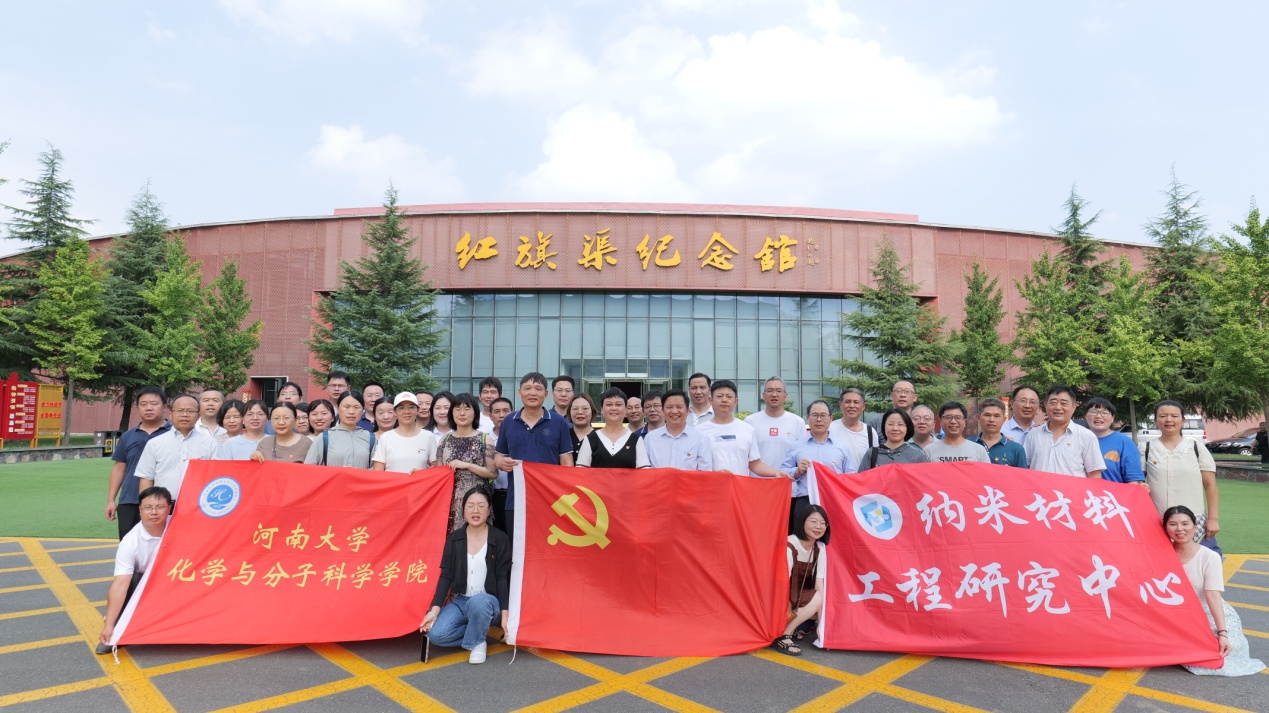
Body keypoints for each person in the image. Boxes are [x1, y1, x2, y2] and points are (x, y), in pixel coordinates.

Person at [1165, 506, 1266, 677]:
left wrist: (1222, 633)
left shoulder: (1209, 557)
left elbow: (1212, 595)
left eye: (1185, 524)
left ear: (1195, 527)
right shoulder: (1161, 555)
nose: (1180, 529)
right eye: (1173, 524)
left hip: (1207, 614)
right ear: (1166, 528)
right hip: (1176, 615)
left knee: (1221, 657)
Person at [420, 487, 511, 665]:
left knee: (479, 602)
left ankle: (478, 643)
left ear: (489, 510)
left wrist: (505, 616)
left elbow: (502, 577)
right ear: (463, 510)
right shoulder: (455, 538)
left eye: (481, 506)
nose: (475, 510)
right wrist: (434, 611)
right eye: (470, 506)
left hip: (489, 602)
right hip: (462, 600)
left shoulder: (499, 538)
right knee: (436, 634)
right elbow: (445, 575)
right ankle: (478, 632)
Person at [494, 373, 575, 536]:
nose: (532, 393)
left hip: (550, 500)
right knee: (517, 546)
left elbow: (567, 463)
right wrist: (501, 463)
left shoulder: (559, 422)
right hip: (516, 499)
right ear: (519, 392)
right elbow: (498, 456)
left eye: (538, 389)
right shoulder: (509, 421)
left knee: (548, 546)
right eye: (527, 388)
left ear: (546, 394)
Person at [96, 485, 173, 655]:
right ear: (140, 510)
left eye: (159, 507)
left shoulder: (180, 525)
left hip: (175, 579)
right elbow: (120, 584)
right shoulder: (130, 543)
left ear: (169, 508)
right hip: (146, 585)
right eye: (148, 507)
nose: (154, 512)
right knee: (132, 580)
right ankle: (116, 631)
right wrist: (109, 625)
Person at [1142, 400, 1220, 549]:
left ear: (1183, 420)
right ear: (1155, 420)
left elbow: (1210, 486)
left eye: (1174, 416)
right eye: (1163, 416)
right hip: (1157, 521)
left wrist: (1213, 519)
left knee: (1199, 560)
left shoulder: (1196, 448)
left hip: (1194, 520)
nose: (1168, 420)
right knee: (1161, 562)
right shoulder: (1146, 448)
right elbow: (1136, 484)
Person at [106, 387, 171, 540]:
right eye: (143, 404)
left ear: (164, 407)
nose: (148, 408)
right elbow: (119, 469)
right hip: (130, 500)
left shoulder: (174, 433)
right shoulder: (128, 436)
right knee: (129, 543)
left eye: (154, 404)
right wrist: (111, 500)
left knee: (161, 544)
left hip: (164, 500)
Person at [781, 400, 852, 533]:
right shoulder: (797, 446)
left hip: (834, 501)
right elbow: (783, 471)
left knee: (833, 540)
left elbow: (850, 476)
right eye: (814, 415)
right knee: (802, 540)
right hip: (805, 502)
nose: (819, 419)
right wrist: (797, 471)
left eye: (823, 415)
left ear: (831, 418)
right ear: (808, 418)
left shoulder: (842, 447)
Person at [135, 394, 217, 504]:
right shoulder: (155, 443)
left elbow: (215, 476)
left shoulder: (210, 443)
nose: (185, 415)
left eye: (190, 411)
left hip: (198, 504)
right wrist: (148, 505)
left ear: (198, 416)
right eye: (179, 410)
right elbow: (146, 477)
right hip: (163, 504)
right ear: (170, 415)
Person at [697, 380, 789, 478]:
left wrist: (775, 472)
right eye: (719, 396)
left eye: (729, 397)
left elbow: (755, 464)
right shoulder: (699, 431)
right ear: (711, 400)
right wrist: (715, 474)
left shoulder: (747, 429)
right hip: (711, 486)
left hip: (739, 487)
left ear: (736, 401)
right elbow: (693, 467)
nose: (724, 400)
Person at [434, 393, 498, 531]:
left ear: (475, 413)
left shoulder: (484, 439)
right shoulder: (444, 440)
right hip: (450, 502)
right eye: (457, 409)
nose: (462, 413)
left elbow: (493, 473)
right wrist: (419, 474)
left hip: (477, 501)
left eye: (467, 409)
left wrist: (468, 465)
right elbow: (438, 473)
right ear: (452, 413)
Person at [772, 504, 830, 656]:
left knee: (820, 599)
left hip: (797, 597)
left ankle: (789, 629)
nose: (819, 527)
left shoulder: (819, 549)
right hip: (777, 598)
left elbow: (819, 585)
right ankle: (784, 635)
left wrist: (821, 626)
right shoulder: (789, 545)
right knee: (816, 599)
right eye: (814, 521)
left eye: (823, 523)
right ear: (802, 521)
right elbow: (780, 587)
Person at [1024, 385, 1105, 478]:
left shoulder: (1086, 436)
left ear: (1074, 407)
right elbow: (1025, 467)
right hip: (1038, 487)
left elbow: (1094, 474)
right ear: (1046, 405)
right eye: (1053, 402)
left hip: (1072, 488)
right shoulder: (1033, 434)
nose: (1058, 407)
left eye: (1064, 403)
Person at [745, 376, 807, 478]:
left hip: (788, 482)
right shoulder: (750, 421)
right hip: (758, 483)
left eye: (779, 391)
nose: (774, 394)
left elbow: (801, 455)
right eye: (770, 391)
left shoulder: (797, 422)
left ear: (785, 396)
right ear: (763, 395)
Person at [577, 388, 650, 468]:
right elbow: (581, 472)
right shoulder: (590, 439)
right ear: (602, 409)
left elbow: (644, 472)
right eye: (609, 404)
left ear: (626, 410)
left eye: (618, 404)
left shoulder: (636, 440)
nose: (614, 408)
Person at [644, 389, 714, 471]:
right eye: (669, 407)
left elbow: (705, 473)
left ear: (687, 411)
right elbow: (644, 471)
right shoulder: (650, 438)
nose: (674, 411)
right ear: (663, 410)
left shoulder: (701, 438)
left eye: (679, 407)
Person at [1083, 398, 1145, 485]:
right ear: (1086, 416)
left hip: (1113, 493)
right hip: (1080, 493)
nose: (1098, 416)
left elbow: (1133, 480)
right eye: (1093, 412)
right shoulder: (1077, 439)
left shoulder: (1124, 442)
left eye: (1104, 413)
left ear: (1112, 418)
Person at [303, 392, 375, 468]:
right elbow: (308, 469)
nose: (351, 412)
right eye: (346, 407)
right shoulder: (324, 437)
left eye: (356, 407)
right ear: (337, 409)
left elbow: (376, 469)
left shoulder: (370, 438)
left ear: (363, 410)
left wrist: (358, 473)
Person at [372, 393, 438, 474]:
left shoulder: (428, 436)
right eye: (401, 408)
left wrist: (422, 473)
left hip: (420, 482)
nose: (407, 412)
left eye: (411, 407)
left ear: (418, 410)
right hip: (393, 482)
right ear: (394, 412)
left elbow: (436, 467)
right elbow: (378, 472)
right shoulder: (385, 437)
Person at [857, 409, 930, 471]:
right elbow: (861, 480)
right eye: (890, 424)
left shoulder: (917, 456)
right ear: (884, 427)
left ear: (907, 428)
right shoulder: (872, 454)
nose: (895, 428)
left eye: (900, 424)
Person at [828, 388, 878, 471]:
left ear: (863, 406)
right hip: (836, 478)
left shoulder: (870, 432)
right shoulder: (830, 429)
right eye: (847, 402)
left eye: (856, 402)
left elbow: (875, 462)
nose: (851, 406)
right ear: (840, 405)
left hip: (862, 478)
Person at [923, 402, 990, 463]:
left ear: (965, 422)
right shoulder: (928, 451)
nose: (953, 421)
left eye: (958, 417)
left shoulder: (979, 450)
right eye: (948, 417)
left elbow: (986, 472)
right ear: (940, 422)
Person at [973, 398, 1028, 467]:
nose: (992, 420)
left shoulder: (1016, 449)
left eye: (996, 416)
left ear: (1004, 419)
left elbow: (1022, 474)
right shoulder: (967, 445)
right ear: (978, 418)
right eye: (987, 415)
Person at [489, 396, 514, 532]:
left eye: (506, 410)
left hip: (515, 495)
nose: (502, 415)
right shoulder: (485, 438)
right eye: (497, 411)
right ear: (490, 416)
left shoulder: (518, 435)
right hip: (494, 496)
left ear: (513, 413)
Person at [567, 393, 597, 461]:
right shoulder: (563, 435)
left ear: (592, 411)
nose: (580, 412)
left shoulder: (600, 437)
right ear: (569, 412)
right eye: (575, 409)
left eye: (585, 408)